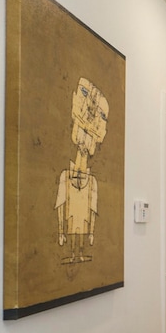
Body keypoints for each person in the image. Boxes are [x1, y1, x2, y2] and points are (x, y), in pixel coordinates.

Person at [55, 77, 109, 264]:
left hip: (82, 219)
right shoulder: (66, 175)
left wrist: (91, 233)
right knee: (73, 225)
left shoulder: (91, 182)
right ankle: (72, 252)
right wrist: (61, 232)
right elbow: (61, 205)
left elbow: (92, 210)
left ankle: (78, 252)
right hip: (71, 217)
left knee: (80, 227)